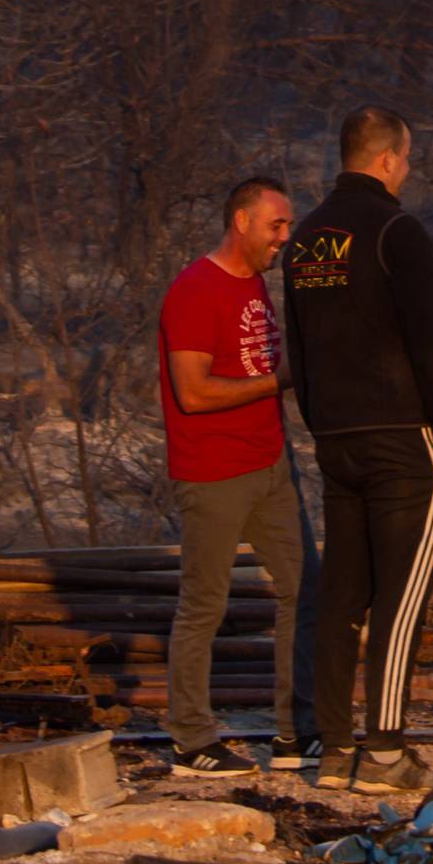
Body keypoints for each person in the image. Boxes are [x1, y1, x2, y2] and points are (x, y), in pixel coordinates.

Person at [283, 107, 433, 794]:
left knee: (343, 593)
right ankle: (385, 751)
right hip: (402, 436)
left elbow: (296, 347)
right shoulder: (397, 230)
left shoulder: (305, 240)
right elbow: (432, 342)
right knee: (402, 592)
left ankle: (334, 749)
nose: (408, 169)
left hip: (335, 439)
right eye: (408, 158)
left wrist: (320, 421)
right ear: (389, 158)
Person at [158, 172, 307, 774]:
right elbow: (192, 394)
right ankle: (191, 738)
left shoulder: (256, 287)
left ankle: (296, 731)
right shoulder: (195, 290)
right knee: (205, 603)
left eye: (289, 226)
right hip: (215, 471)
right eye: (277, 225)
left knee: (306, 588)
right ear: (241, 221)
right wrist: (283, 381)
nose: (285, 237)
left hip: (270, 462)